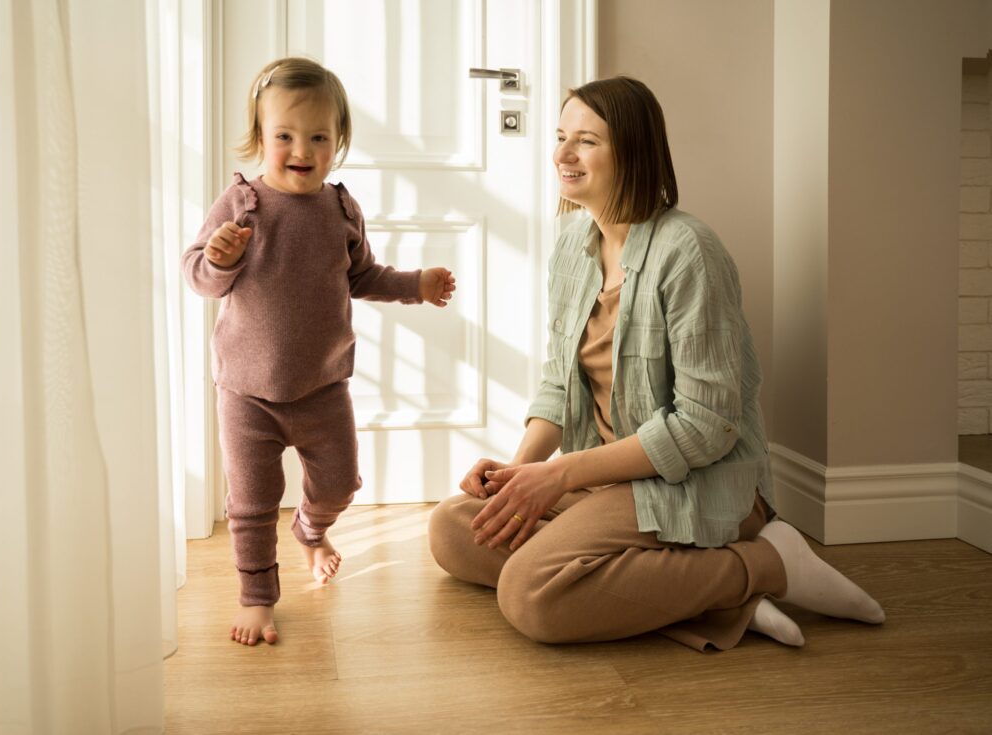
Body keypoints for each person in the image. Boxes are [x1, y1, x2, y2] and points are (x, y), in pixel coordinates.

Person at [428, 76, 884, 650]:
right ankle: (705, 599)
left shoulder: (689, 251)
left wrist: (560, 475)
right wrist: (520, 475)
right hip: (606, 477)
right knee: (451, 528)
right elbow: (557, 379)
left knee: (529, 594)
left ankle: (767, 564)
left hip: (690, 482)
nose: (563, 155)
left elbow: (707, 425)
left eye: (586, 141)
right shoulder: (573, 244)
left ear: (633, 153)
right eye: (561, 136)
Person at [183, 57, 456, 647]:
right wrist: (220, 258)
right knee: (252, 503)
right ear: (260, 137)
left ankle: (311, 529)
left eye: (318, 137)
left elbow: (363, 276)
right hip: (247, 391)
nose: (300, 148)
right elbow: (199, 277)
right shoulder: (242, 205)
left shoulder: (339, 210)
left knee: (341, 483)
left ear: (338, 143)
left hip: (324, 387)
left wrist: (416, 285)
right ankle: (257, 596)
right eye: (284, 135)